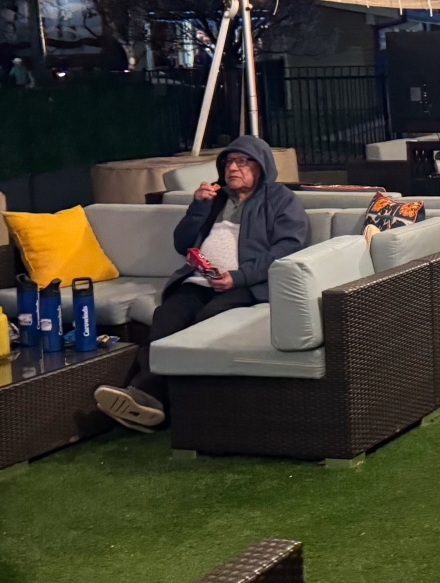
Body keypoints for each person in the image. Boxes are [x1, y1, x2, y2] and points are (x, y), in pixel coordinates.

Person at [93, 134, 306, 430]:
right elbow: (182, 243)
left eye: (242, 162)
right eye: (228, 162)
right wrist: (198, 208)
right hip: (197, 282)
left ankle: (152, 396)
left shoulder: (281, 200)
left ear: (261, 166)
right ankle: (148, 399)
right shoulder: (214, 199)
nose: (233, 168)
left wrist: (238, 277)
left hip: (246, 287)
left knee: (206, 320)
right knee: (166, 317)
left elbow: (288, 247)